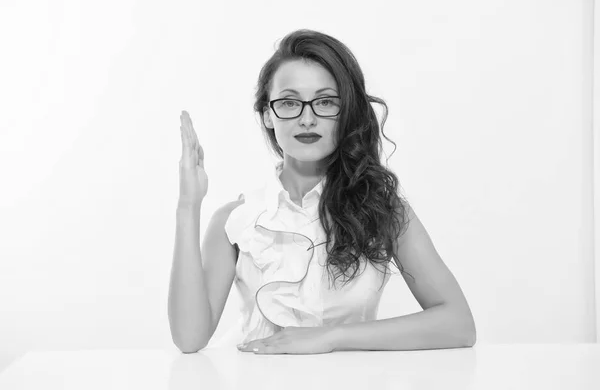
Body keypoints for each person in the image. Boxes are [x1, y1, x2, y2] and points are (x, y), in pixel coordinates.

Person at [168, 29, 476, 355]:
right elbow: (189, 339)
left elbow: (458, 324)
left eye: (325, 101)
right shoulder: (237, 220)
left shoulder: (383, 209)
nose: (307, 118)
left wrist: (330, 338)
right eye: (289, 102)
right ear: (267, 115)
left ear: (346, 112)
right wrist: (188, 205)